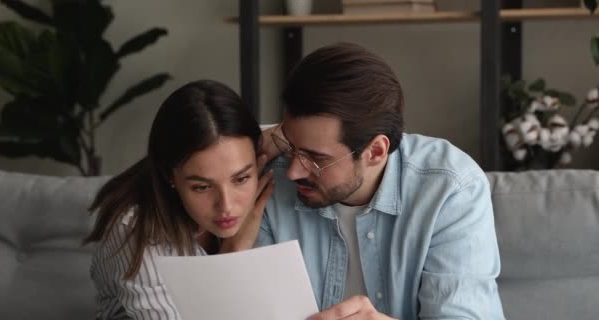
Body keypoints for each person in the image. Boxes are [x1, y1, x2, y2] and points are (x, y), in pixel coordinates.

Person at [256, 43, 505, 319]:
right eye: (290, 145)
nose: (293, 171)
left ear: (375, 152)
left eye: (316, 158)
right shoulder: (270, 177)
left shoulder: (451, 189)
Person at [83, 80, 274, 320]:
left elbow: (299, 132)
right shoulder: (134, 229)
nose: (227, 206)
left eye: (241, 179)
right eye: (202, 187)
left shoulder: (252, 152)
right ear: (169, 176)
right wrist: (232, 256)